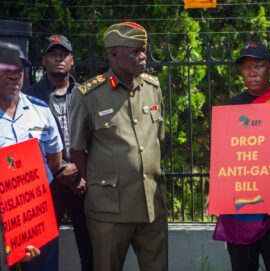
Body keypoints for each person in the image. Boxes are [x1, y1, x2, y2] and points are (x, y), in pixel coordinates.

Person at [69, 22, 167, 271]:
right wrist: (93, 184)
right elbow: (78, 150)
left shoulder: (152, 89)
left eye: (143, 49)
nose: (143, 56)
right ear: (114, 55)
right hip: (109, 211)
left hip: (151, 205)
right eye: (135, 51)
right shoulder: (89, 95)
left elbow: (157, 139)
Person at [212, 43, 270, 271]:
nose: (252, 72)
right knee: (242, 266)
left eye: (259, 65)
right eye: (246, 67)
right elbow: (224, 158)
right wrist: (217, 191)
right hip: (240, 206)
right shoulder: (230, 108)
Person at [23, 34, 93, 271]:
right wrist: (63, 171)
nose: (58, 59)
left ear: (72, 60)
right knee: (40, 250)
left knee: (90, 248)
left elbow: (96, 137)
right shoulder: (30, 97)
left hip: (84, 183)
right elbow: (28, 142)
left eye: (63, 54)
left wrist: (81, 173)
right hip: (46, 186)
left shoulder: (87, 94)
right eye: (53, 54)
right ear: (44, 60)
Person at [0, 42, 63, 270]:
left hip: (37, 213)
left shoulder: (41, 111)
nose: (14, 74)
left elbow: (54, 160)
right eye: (6, 68)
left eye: (18, 69)